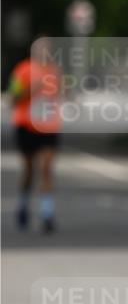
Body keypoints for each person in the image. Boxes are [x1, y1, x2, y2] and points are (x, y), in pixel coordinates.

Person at [9, 36, 62, 232]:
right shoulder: (23, 69)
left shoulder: (55, 71)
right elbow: (13, 99)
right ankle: (23, 205)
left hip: (48, 127)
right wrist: (30, 91)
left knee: (47, 167)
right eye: (41, 49)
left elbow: (60, 95)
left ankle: (46, 214)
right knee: (29, 169)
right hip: (26, 125)